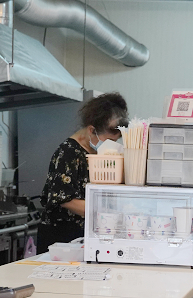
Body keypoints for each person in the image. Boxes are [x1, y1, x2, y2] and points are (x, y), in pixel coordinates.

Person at [39, 93, 128, 250]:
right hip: (62, 239)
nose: (111, 146)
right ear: (91, 130)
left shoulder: (97, 153)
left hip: (85, 237)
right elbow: (65, 199)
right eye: (109, 141)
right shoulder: (68, 153)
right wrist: (102, 214)